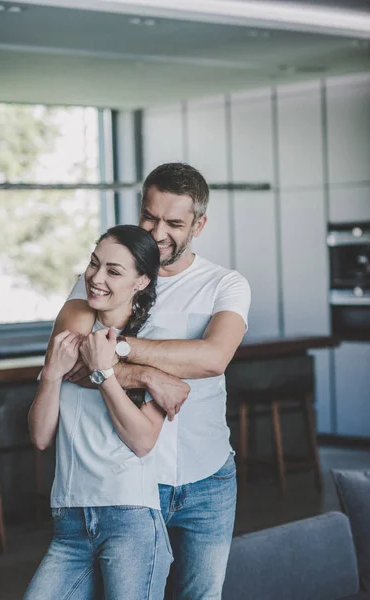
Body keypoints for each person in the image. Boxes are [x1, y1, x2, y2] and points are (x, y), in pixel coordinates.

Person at [53, 163, 251, 599]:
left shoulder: (225, 285)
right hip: (132, 485)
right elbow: (67, 360)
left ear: (199, 224)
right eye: (150, 216)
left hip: (209, 479)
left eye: (174, 223)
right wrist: (148, 375)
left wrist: (117, 350)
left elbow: (214, 358)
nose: (158, 232)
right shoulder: (105, 278)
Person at [24, 225, 180, 600]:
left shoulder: (158, 343)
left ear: (141, 281)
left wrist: (105, 373)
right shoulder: (69, 335)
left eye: (114, 271)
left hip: (129, 517)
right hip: (70, 519)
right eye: (94, 264)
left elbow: (143, 441)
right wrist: (52, 375)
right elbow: (40, 436)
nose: (95, 278)